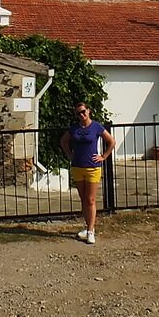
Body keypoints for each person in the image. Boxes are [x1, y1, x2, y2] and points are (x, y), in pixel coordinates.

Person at [60, 102, 115, 245]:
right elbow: (64, 141)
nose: (81, 115)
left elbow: (111, 141)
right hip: (78, 167)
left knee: (90, 199)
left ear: (89, 111)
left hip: (93, 167)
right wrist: (69, 155)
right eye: (78, 113)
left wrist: (103, 156)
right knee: (83, 199)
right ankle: (87, 226)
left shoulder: (96, 126)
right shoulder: (74, 128)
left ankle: (91, 230)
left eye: (83, 111)